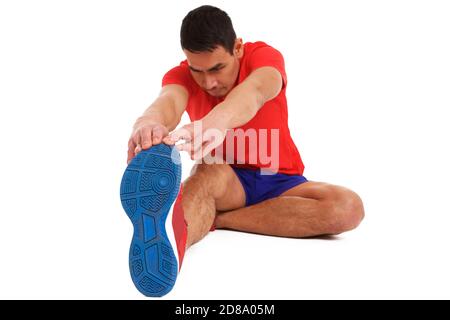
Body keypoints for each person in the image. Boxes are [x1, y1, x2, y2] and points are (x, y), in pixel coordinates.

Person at [120, 5, 365, 297]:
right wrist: (148, 122)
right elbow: (169, 101)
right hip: (226, 179)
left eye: (217, 68)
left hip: (282, 180)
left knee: (349, 207)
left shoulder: (263, 57)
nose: (208, 82)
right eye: (197, 70)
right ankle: (174, 242)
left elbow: (258, 90)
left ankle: (218, 218)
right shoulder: (181, 76)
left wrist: (218, 120)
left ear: (237, 48)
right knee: (207, 171)